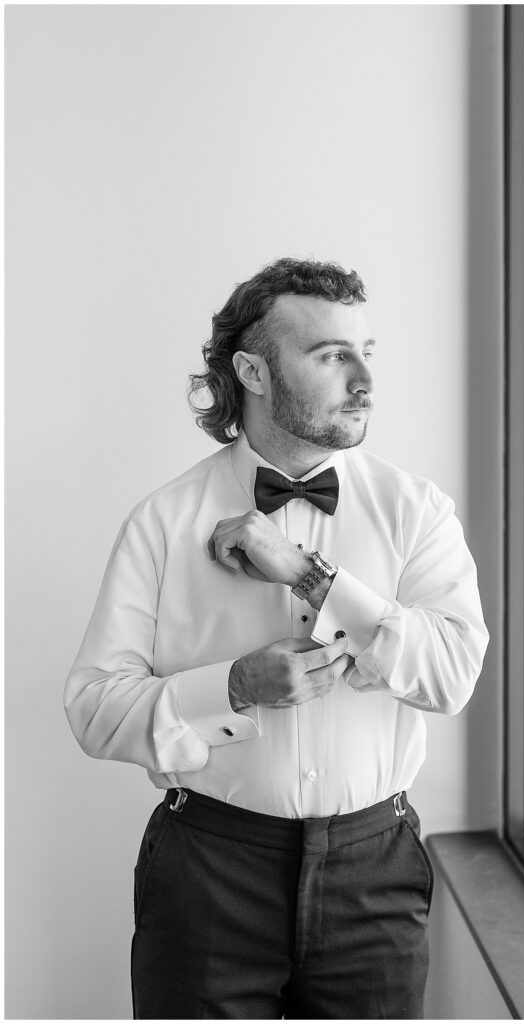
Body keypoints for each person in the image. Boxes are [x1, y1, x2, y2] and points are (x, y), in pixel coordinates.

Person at [64, 257, 489, 1020]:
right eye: (330, 355)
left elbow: (452, 676)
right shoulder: (162, 523)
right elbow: (93, 709)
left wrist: (312, 577)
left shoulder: (418, 512)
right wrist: (230, 688)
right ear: (253, 371)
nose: (364, 378)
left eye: (367, 353)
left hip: (376, 873)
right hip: (208, 875)